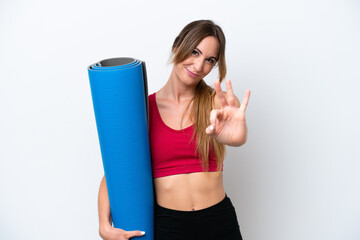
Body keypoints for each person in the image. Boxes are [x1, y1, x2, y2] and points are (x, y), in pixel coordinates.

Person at [98, 19, 251, 240]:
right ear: (177, 46)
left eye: (210, 60)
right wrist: (104, 223)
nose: (199, 66)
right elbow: (116, 170)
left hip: (219, 221)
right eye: (195, 52)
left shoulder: (218, 102)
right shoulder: (144, 110)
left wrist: (238, 138)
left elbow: (235, 136)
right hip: (168, 226)